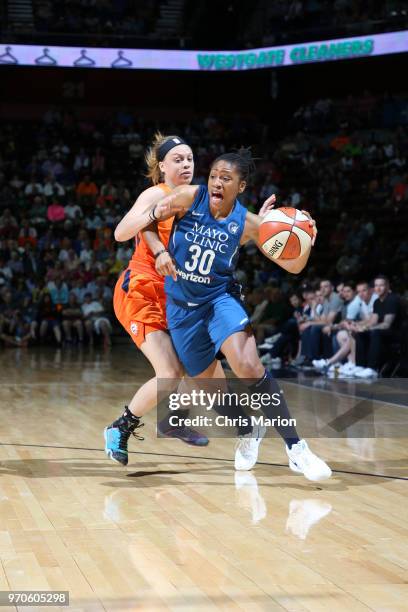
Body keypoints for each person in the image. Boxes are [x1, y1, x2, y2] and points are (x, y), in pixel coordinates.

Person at [148, 148, 331, 481]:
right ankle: (248, 429)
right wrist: (159, 250)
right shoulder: (189, 197)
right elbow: (146, 224)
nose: (217, 182)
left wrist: (305, 240)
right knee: (210, 389)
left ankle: (296, 448)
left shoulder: (249, 223)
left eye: (226, 178)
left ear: (241, 187)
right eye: (214, 175)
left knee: (248, 365)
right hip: (181, 310)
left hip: (220, 300)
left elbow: (293, 266)